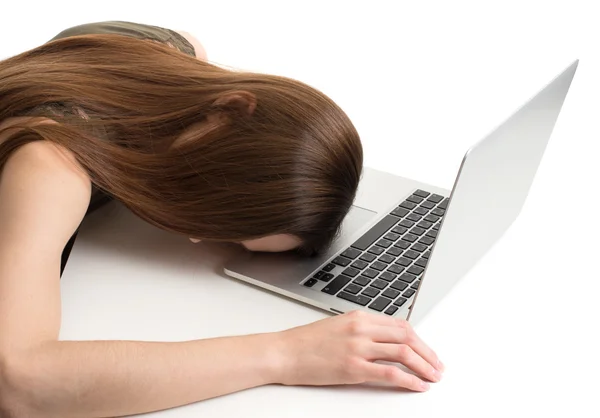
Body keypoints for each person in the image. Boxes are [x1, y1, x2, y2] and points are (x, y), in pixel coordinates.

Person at [0, 21, 443, 417]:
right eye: (222, 208)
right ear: (228, 109)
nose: (194, 235)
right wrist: (283, 354)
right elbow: (20, 383)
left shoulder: (168, 49)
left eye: (232, 235)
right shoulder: (54, 166)